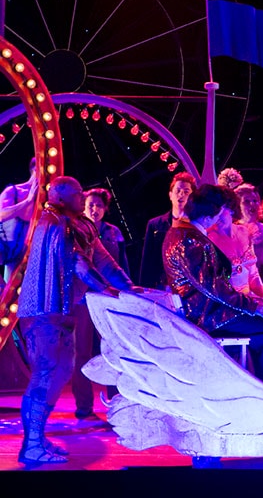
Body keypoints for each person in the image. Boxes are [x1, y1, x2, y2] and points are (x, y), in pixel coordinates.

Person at [17, 176, 135, 466]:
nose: (83, 198)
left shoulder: (81, 224)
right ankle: (31, 445)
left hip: (65, 311)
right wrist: (106, 289)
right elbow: (78, 262)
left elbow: (105, 261)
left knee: (62, 371)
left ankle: (37, 436)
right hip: (43, 311)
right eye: (78, 194)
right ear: (61, 197)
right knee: (44, 373)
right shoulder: (54, 221)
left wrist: (129, 287)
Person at [163, 184, 263, 398]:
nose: (221, 218)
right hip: (209, 316)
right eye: (219, 213)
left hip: (208, 310)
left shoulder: (182, 233)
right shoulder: (190, 239)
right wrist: (251, 306)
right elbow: (213, 287)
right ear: (209, 216)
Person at [71, 187, 131, 420]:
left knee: (114, 349)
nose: (94, 209)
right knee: (81, 352)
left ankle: (117, 402)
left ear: (106, 209)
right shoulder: (75, 229)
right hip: (83, 299)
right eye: (91, 204)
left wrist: (126, 291)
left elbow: (121, 264)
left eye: (99, 205)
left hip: (109, 298)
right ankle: (84, 404)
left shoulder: (113, 232)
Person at [137, 172, 196, 289]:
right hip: (162, 284)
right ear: (170, 195)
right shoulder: (155, 224)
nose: (181, 194)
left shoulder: (196, 224)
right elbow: (148, 259)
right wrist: (145, 288)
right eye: (178, 190)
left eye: (186, 192)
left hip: (190, 285)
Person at [0, 157, 38, 286]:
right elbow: (1, 215)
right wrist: (28, 201)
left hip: (31, 259)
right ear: (35, 168)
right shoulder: (13, 191)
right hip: (7, 254)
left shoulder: (48, 199)